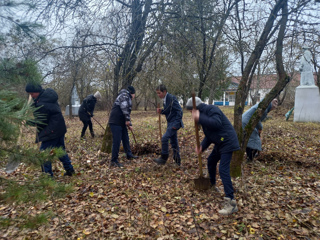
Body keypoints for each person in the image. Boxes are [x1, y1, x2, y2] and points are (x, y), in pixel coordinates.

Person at [186, 97, 239, 215]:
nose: (191, 114)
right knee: (211, 160)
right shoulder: (203, 116)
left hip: (227, 141)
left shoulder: (211, 109)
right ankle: (212, 184)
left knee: (223, 170)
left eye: (191, 112)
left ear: (196, 109)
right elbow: (210, 135)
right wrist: (202, 147)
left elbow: (216, 123)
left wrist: (199, 117)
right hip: (220, 142)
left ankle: (231, 203)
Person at [25, 83, 75, 177]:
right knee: (60, 150)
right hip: (59, 128)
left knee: (44, 154)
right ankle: (70, 169)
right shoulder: (47, 97)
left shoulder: (42, 103)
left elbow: (40, 121)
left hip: (51, 131)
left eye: (32, 94)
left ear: (37, 92)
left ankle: (47, 176)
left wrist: (27, 121)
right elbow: (41, 108)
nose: (31, 96)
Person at [153, 84, 184, 166]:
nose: (158, 95)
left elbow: (179, 111)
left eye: (159, 93)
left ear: (164, 91)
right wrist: (161, 111)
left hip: (174, 123)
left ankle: (163, 158)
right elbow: (169, 110)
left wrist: (176, 124)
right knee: (174, 142)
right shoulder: (165, 99)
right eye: (157, 93)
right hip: (170, 122)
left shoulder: (171, 98)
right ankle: (178, 161)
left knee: (164, 138)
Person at [108, 86, 138, 168]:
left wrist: (129, 123)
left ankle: (129, 154)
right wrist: (128, 121)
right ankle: (114, 160)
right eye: (134, 95)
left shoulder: (126, 96)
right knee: (117, 141)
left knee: (125, 138)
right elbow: (124, 108)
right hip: (115, 122)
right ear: (132, 93)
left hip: (121, 122)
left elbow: (126, 112)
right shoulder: (124, 95)